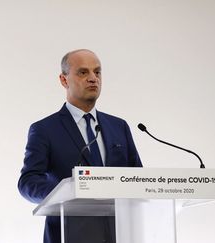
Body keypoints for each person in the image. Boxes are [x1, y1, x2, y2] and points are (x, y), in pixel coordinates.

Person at [18, 49, 142, 243]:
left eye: (97, 72)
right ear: (64, 80)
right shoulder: (45, 129)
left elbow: (138, 179)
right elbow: (28, 181)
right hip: (70, 233)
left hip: (120, 234)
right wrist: (64, 193)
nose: (93, 78)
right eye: (83, 72)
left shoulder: (119, 126)